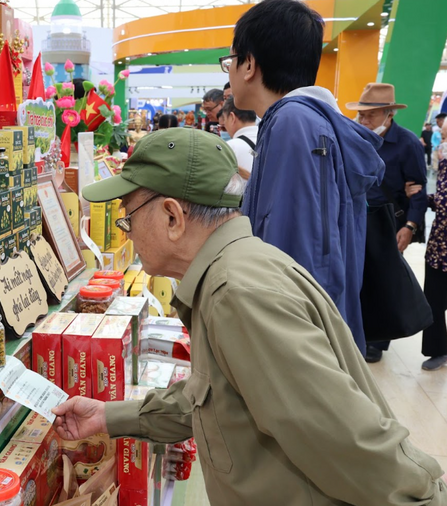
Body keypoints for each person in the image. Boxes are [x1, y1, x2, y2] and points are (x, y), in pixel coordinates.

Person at [53, 128, 447, 506]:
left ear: (172, 217)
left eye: (128, 217)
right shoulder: (231, 272)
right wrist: (109, 416)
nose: (128, 232)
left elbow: (346, 440)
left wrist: (427, 499)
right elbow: (215, 398)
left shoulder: (237, 295)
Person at [226, 0, 385, 355]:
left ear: (249, 64)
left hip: (299, 345)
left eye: (231, 60)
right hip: (318, 333)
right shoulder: (307, 120)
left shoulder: (292, 123)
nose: (230, 71)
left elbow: (294, 251)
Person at [346, 83, 428, 363]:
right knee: (360, 274)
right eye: (361, 114)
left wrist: (410, 226)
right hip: (358, 216)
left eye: (370, 115)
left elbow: (418, 190)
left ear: (388, 114)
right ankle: (361, 328)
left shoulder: (407, 143)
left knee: (386, 277)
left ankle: (379, 340)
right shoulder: (356, 137)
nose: (364, 120)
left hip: (391, 221)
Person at [406, 122, 447, 371]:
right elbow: (442, 200)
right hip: (439, 249)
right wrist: (419, 195)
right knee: (434, 301)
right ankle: (438, 350)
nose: (442, 145)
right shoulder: (445, 167)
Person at [216, 96, 257, 179]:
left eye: (225, 120)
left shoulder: (229, 148)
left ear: (232, 117)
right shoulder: (271, 139)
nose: (225, 125)